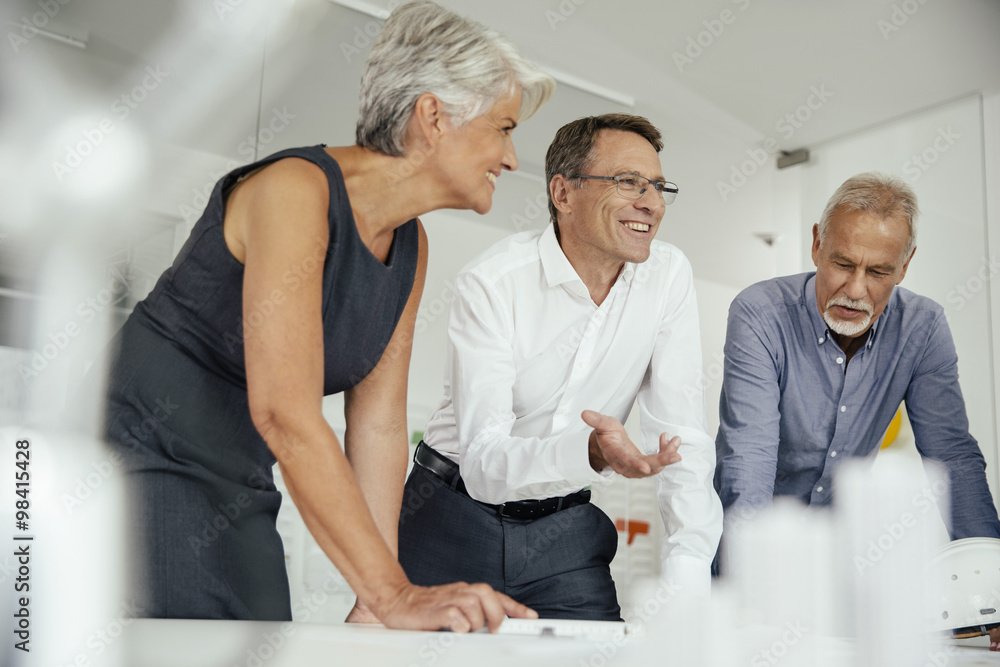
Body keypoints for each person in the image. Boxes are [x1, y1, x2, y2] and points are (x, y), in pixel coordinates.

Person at [102, 0, 554, 632]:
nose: (511, 158)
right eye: (504, 127)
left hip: (240, 480)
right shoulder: (293, 190)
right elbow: (284, 411)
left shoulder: (409, 244)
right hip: (136, 454)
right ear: (433, 117)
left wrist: (377, 598)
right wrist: (393, 594)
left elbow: (378, 428)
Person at [396, 113, 724, 620]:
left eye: (659, 186)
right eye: (628, 182)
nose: (652, 203)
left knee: (601, 652)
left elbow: (681, 435)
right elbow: (484, 465)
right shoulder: (493, 282)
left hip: (565, 531)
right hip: (449, 516)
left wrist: (689, 576)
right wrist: (586, 451)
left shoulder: (667, 276)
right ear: (563, 193)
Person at [714, 172, 1000, 565]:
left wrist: (989, 575)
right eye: (843, 264)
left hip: (835, 557)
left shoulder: (922, 327)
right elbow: (749, 456)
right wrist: (753, 573)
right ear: (817, 244)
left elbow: (952, 456)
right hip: (750, 547)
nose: (855, 290)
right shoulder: (761, 313)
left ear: (904, 266)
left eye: (879, 272)